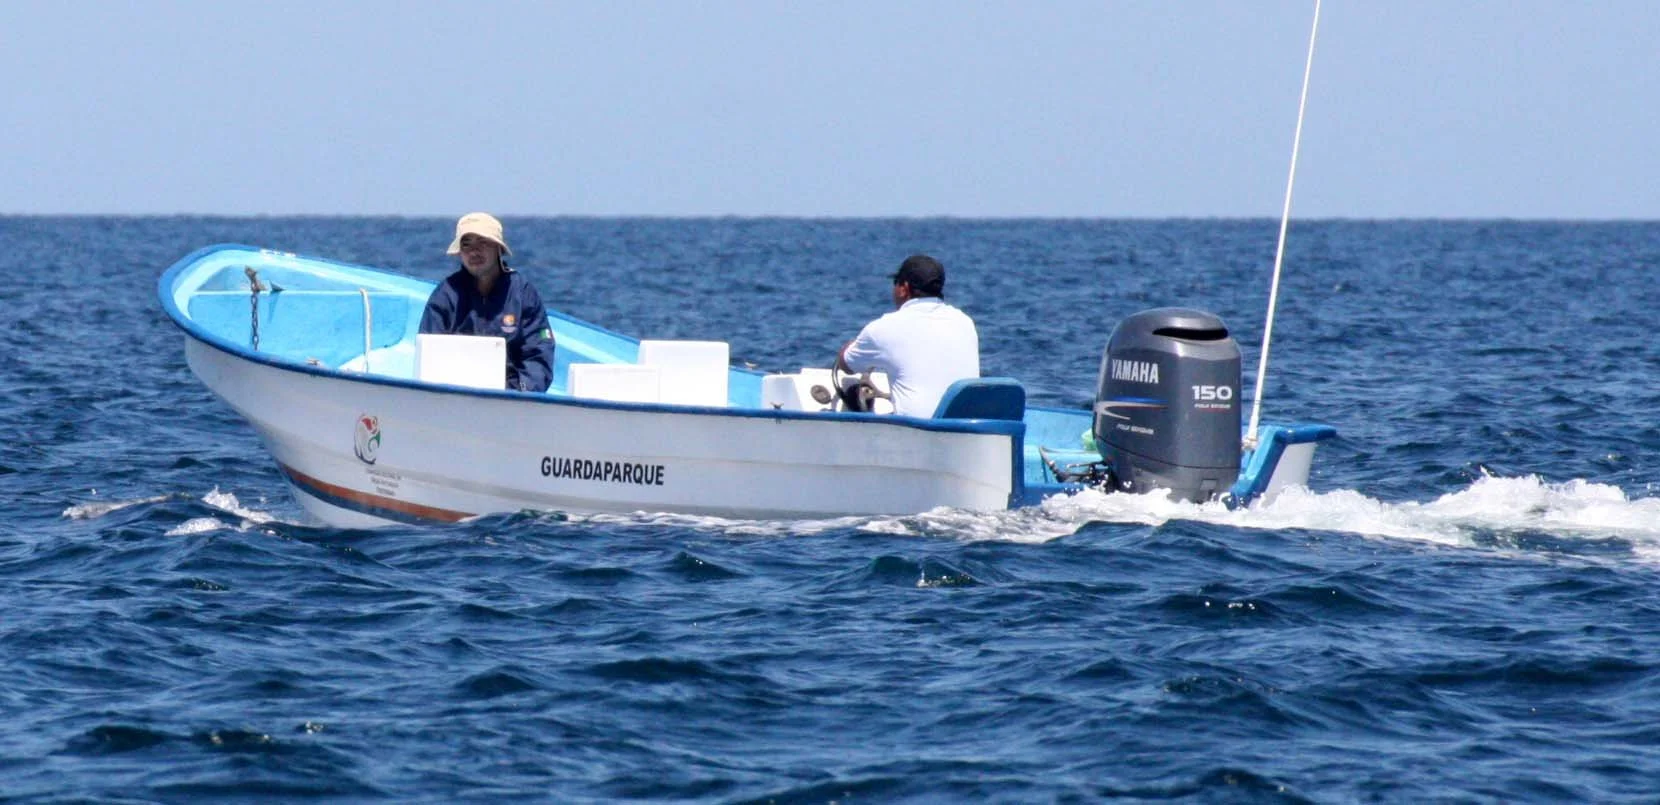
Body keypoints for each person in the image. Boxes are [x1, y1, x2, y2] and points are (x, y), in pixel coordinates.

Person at [419, 212, 555, 392]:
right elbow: (429, 355)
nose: (474, 252)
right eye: (466, 245)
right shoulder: (445, 295)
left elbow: (538, 354)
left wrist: (520, 392)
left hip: (510, 397)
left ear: (498, 248)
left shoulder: (523, 294)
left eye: (483, 243)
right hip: (454, 395)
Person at [838, 254, 980, 417]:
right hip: (965, 430)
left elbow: (846, 364)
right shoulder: (965, 322)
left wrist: (851, 345)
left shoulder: (884, 328)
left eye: (895, 283)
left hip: (917, 434)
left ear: (904, 288)